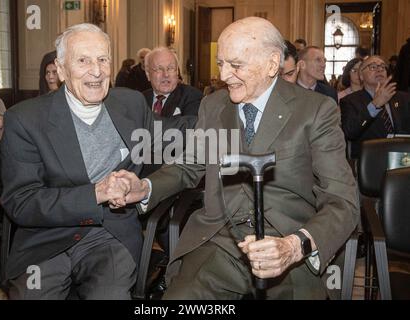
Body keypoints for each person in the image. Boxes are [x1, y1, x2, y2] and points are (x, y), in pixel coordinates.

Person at [115, 17, 359, 300]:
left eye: (236, 65)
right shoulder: (215, 105)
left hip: (288, 250)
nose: (225, 75)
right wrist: (145, 188)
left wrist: (295, 246)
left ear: (271, 63)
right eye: (221, 64)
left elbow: (343, 201)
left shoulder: (315, 111)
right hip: (220, 242)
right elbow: (188, 165)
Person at [0, 23, 195, 300]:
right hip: (46, 240)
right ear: (62, 69)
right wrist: (95, 193)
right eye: (83, 60)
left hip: (110, 234)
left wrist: (233, 114)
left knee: (110, 295)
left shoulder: (129, 104)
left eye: (103, 59)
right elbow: (22, 201)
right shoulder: (25, 119)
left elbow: (175, 132)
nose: (96, 70)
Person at [141, 46, 202, 177]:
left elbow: (184, 136)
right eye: (159, 69)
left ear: (177, 72)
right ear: (147, 74)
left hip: (174, 173)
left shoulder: (192, 96)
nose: (166, 74)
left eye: (171, 68)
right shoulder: (139, 100)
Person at [340, 55, 410, 159]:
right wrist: (374, 105)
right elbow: (350, 132)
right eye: (373, 67)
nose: (379, 69)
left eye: (382, 67)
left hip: (403, 158)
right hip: (371, 161)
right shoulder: (350, 101)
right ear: (361, 76)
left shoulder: (403, 98)